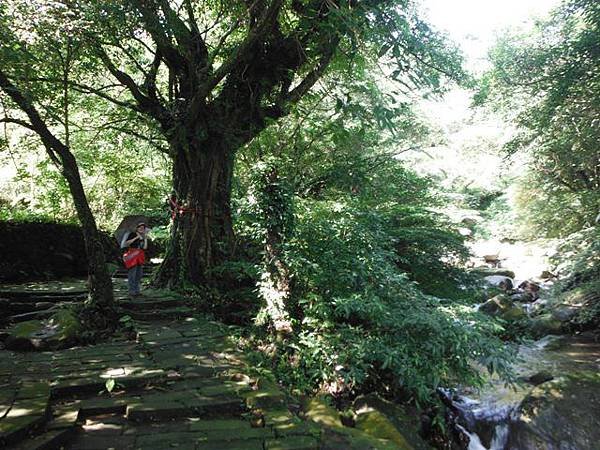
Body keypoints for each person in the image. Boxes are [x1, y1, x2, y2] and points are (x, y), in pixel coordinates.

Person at [121, 222, 149, 297]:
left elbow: (145, 248)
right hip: (132, 255)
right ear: (137, 228)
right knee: (132, 274)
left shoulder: (144, 236)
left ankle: (137, 291)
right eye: (140, 227)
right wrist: (136, 237)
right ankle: (132, 291)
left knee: (139, 274)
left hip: (140, 255)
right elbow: (126, 243)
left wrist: (145, 239)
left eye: (143, 227)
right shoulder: (132, 234)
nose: (141, 228)